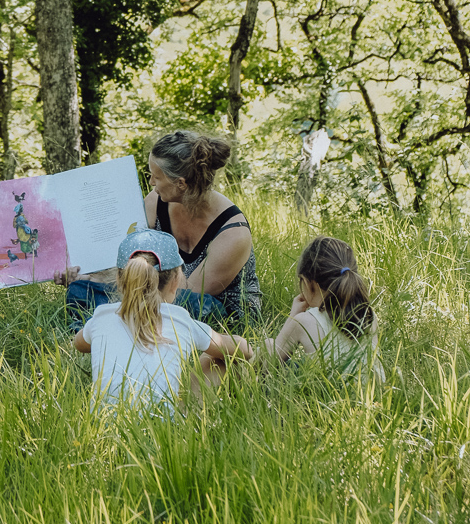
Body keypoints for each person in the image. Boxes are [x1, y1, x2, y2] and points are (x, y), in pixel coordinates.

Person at [59, 131, 261, 328]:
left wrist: (124, 288)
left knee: (186, 304)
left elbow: (184, 294)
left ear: (181, 183)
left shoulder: (233, 233)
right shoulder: (156, 202)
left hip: (215, 309)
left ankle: (110, 324)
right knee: (80, 290)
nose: (151, 183)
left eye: (156, 177)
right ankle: (112, 325)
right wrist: (89, 277)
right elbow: (129, 259)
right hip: (158, 291)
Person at [73, 230, 253, 409]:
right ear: (176, 281)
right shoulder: (181, 320)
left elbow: (79, 344)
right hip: (166, 423)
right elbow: (242, 349)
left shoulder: (101, 316)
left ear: (119, 280)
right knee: (217, 358)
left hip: (104, 424)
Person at [263, 236, 384, 382]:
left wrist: (292, 317)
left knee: (268, 347)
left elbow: (268, 366)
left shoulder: (303, 321)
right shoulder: (368, 315)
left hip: (329, 395)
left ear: (307, 283)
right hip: (372, 393)